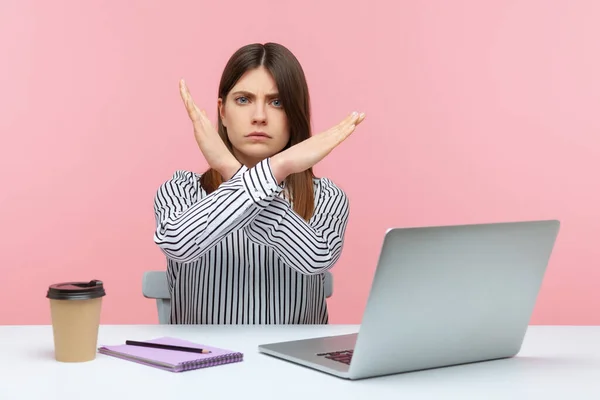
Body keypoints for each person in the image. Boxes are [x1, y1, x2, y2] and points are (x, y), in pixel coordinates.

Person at [153, 42, 366, 324]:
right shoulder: (181, 189)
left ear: (295, 115)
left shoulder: (326, 197)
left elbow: (315, 259)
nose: (259, 117)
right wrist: (277, 167)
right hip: (205, 367)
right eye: (243, 100)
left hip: (293, 368)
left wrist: (230, 169)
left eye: (277, 102)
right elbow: (178, 243)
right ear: (222, 112)